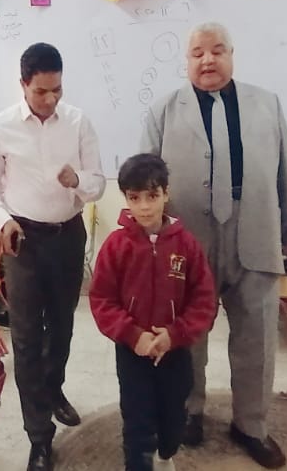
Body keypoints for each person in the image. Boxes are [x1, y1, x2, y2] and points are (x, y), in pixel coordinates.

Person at [141, 22, 287, 469]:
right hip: (187, 239)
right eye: (197, 53)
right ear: (187, 60)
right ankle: (189, 411)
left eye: (217, 50)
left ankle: (251, 424)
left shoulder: (266, 104)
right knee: (186, 333)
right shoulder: (163, 111)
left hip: (254, 230)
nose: (208, 60)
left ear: (232, 55)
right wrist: (147, 241)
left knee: (257, 336)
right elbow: (143, 181)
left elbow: (286, 171)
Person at [0, 42, 106, 471]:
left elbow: (97, 184)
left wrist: (78, 181)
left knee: (63, 327)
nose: (50, 99)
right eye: (41, 91)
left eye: (57, 90)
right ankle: (38, 435)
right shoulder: (1, 126)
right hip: (23, 241)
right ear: (23, 85)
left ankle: (54, 390)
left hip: (68, 237)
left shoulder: (78, 122)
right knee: (27, 337)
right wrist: (3, 221)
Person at [89, 154, 217, 471]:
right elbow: (102, 300)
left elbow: (204, 299)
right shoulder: (115, 246)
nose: (144, 207)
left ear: (166, 194)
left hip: (175, 351)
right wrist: (134, 336)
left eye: (152, 196)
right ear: (126, 198)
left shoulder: (187, 245)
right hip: (132, 352)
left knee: (173, 418)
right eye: (135, 198)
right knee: (137, 419)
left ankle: (166, 453)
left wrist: (174, 334)